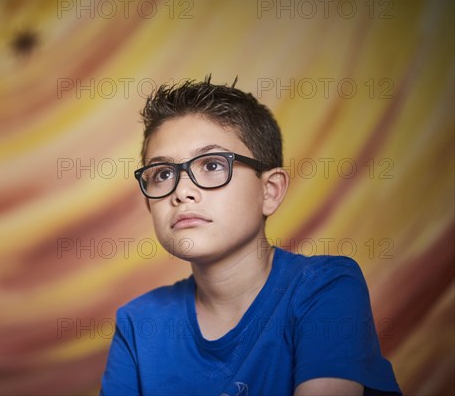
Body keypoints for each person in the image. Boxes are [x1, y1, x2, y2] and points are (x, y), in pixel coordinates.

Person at [100, 76, 401, 395]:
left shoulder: (323, 286)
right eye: (162, 174)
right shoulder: (138, 323)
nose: (182, 191)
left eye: (212, 165)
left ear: (269, 191)